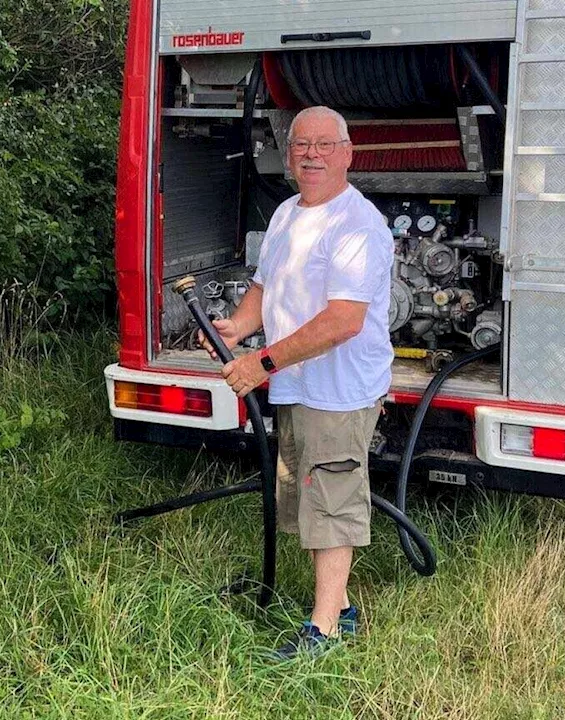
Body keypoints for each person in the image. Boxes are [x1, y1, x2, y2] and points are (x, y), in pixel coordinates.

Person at [205, 105, 393, 658]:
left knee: (332, 501)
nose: (311, 155)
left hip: (340, 390)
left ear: (347, 153)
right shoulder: (288, 213)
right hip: (298, 387)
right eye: (301, 145)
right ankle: (342, 607)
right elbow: (266, 286)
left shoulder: (357, 225)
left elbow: (343, 320)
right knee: (313, 501)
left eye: (324, 145)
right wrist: (237, 326)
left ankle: (324, 631)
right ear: (288, 155)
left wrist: (261, 363)